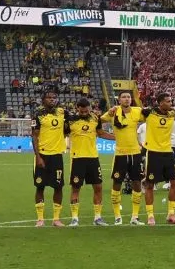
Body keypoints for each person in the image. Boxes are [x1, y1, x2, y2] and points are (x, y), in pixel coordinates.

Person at [141, 92, 175, 225]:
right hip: (153, 152)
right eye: (168, 101)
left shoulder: (172, 114)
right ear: (160, 102)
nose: (171, 103)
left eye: (170, 101)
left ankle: (171, 214)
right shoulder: (149, 112)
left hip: (168, 153)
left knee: (174, 182)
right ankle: (150, 215)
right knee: (150, 184)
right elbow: (134, 113)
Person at [68, 97, 114, 226]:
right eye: (81, 111)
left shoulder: (95, 118)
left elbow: (101, 133)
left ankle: (98, 218)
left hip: (93, 158)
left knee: (98, 187)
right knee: (76, 188)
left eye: (86, 111)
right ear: (77, 108)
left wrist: (117, 138)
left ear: (89, 108)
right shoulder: (70, 120)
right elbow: (61, 133)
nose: (84, 113)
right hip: (77, 158)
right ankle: (75, 218)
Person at [102, 91, 145, 225]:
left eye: (128, 97)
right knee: (117, 184)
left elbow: (151, 118)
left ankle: (135, 217)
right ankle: (117, 216)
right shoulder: (114, 112)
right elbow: (99, 121)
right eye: (124, 97)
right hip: (120, 153)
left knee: (137, 183)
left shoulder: (138, 111)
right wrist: (109, 112)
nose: (127, 99)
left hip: (135, 153)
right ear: (119, 100)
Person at [31, 88, 67, 227]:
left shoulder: (63, 112)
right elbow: (34, 136)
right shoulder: (37, 115)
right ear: (43, 100)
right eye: (49, 97)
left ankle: (56, 219)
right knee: (40, 187)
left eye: (54, 97)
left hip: (57, 155)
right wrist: (38, 157)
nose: (52, 99)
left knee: (58, 187)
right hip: (43, 156)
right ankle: (40, 219)